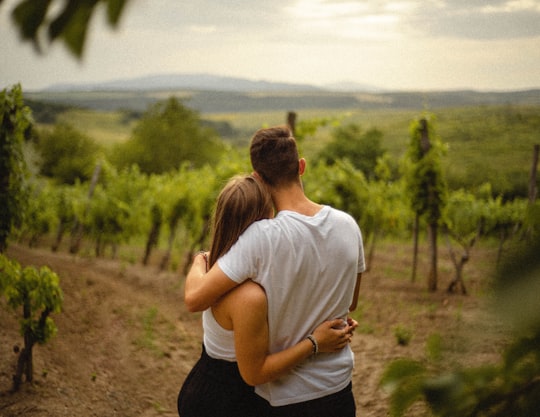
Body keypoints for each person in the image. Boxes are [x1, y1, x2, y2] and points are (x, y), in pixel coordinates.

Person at [185, 125, 365, 417]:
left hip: (283, 399)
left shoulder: (260, 238)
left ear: (257, 177)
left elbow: (195, 300)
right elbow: (350, 303)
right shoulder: (348, 225)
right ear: (301, 166)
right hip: (338, 392)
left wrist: (199, 261)